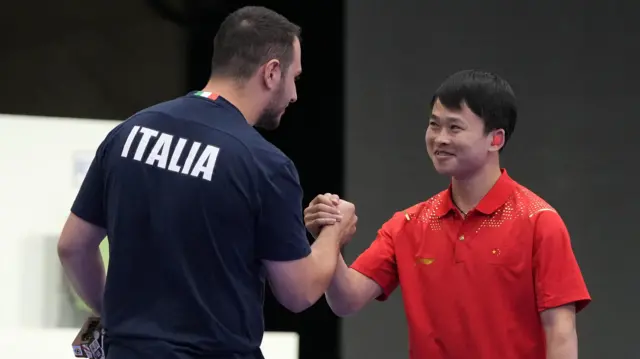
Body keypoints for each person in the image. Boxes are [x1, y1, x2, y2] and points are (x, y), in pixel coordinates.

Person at [57, 6, 357, 359]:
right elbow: (299, 291)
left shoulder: (128, 133)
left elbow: (73, 247)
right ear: (272, 73)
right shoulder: (265, 164)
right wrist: (335, 232)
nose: (294, 95)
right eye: (295, 77)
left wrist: (115, 317)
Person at [304, 69, 591, 359]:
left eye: (454, 128)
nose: (440, 138)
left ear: (496, 139)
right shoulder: (409, 224)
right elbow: (346, 300)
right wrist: (331, 238)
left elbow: (561, 332)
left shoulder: (538, 221)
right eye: (434, 125)